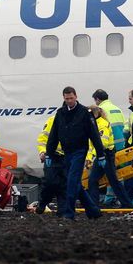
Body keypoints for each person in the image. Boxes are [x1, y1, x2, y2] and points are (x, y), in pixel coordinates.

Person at [45, 86, 105, 220]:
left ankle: (69, 213)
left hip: (79, 151)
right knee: (75, 184)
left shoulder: (85, 113)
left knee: (71, 182)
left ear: (76, 96)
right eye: (67, 99)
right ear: (63, 98)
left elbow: (94, 134)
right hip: (67, 152)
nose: (69, 101)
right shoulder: (60, 113)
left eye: (71, 98)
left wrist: (101, 154)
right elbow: (53, 135)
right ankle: (93, 211)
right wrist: (49, 152)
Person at [85, 105, 133, 208]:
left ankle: (127, 204)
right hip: (101, 155)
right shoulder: (94, 124)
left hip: (106, 155)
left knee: (112, 181)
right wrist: (89, 157)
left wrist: (93, 156)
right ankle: (94, 205)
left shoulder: (102, 124)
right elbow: (91, 144)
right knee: (94, 180)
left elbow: (102, 143)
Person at [35, 114, 66, 215]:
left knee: (64, 185)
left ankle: (62, 210)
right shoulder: (53, 120)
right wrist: (43, 152)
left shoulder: (77, 120)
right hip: (52, 156)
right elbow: (43, 139)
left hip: (67, 158)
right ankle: (43, 203)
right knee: (50, 182)